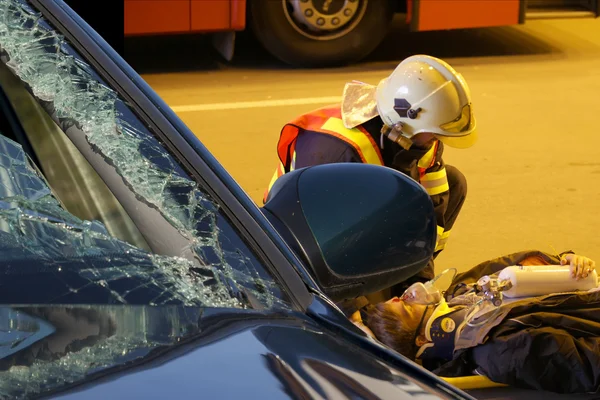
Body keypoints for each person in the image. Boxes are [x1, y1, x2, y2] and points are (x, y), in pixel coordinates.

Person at [263, 55, 476, 288]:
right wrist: (356, 314)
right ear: (403, 119)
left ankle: (396, 284)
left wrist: (418, 285)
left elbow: (432, 211)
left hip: (362, 223)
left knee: (454, 181)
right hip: (296, 252)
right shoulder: (335, 151)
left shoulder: (419, 136)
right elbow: (319, 245)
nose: (438, 137)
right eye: (435, 130)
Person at [357, 249, 600, 394]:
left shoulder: (461, 292)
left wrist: (567, 260)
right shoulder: (500, 353)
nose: (413, 294)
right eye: (409, 306)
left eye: (402, 297)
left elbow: (525, 262)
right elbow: (590, 365)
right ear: (423, 339)